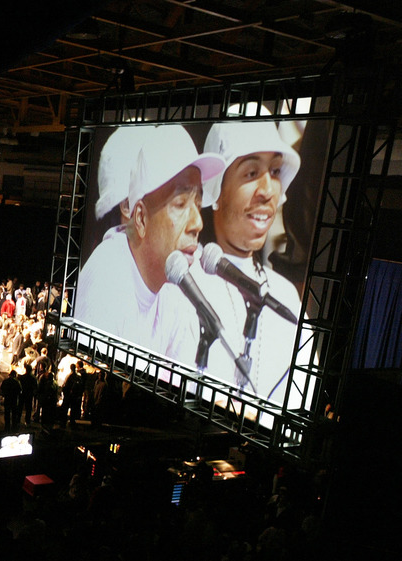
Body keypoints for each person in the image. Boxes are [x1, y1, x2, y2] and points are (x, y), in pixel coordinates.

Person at [75, 124, 226, 364]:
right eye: (180, 204)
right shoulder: (107, 280)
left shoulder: (172, 284)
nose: (198, 223)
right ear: (141, 218)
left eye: (197, 204)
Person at [195, 119, 307, 405]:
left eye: (275, 171)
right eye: (252, 172)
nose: (268, 191)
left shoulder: (284, 295)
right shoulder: (182, 278)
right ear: (216, 188)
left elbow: (302, 401)